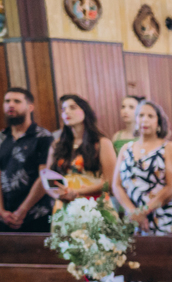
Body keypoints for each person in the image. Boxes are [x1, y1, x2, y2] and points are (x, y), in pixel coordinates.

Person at [113, 100, 172, 282]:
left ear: (159, 122)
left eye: (150, 116)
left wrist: (145, 210)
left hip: (164, 217)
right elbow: (116, 185)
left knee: (167, 268)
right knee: (139, 268)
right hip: (134, 219)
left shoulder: (168, 147)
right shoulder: (126, 148)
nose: (144, 120)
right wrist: (132, 212)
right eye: (141, 115)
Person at [46, 95, 117, 209]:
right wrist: (59, 194)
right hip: (65, 204)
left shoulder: (101, 143)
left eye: (72, 107)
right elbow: (48, 177)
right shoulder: (57, 145)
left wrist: (77, 192)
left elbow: (110, 182)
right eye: (63, 109)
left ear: (85, 111)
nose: (67, 112)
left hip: (94, 204)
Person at [0, 88, 53, 232]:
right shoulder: (1, 137)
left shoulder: (43, 137)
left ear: (30, 107)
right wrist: (1, 211)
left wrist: (22, 211)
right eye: (7, 101)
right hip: (5, 216)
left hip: (37, 215)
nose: (11, 105)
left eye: (17, 101)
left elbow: (45, 176)